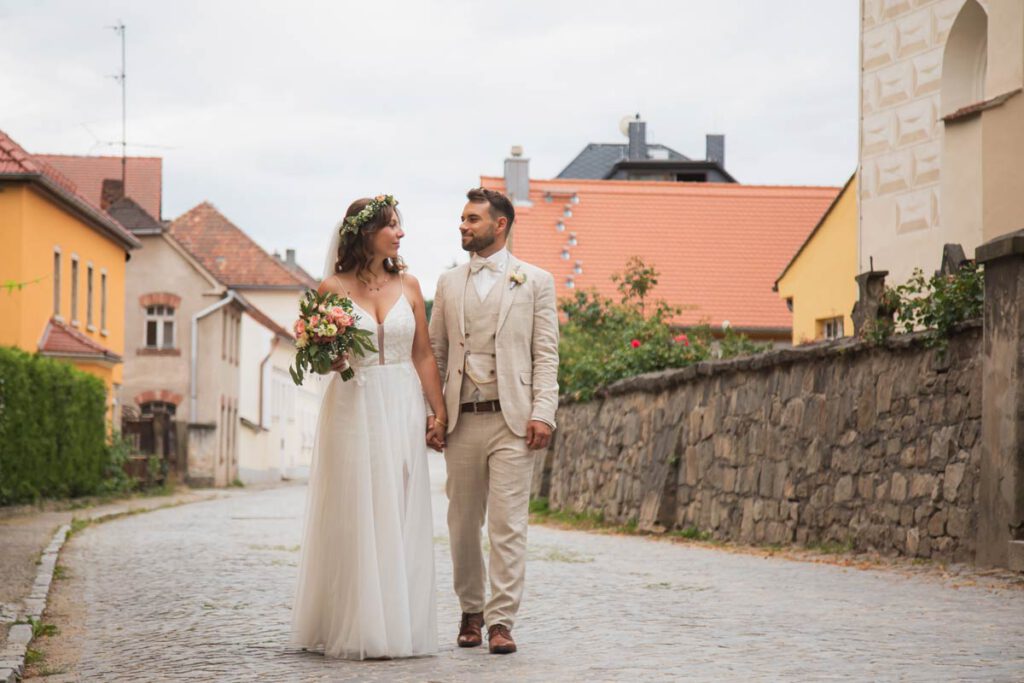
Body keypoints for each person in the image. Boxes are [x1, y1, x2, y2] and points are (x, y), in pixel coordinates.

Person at [290, 195, 446, 660]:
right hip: (353, 403)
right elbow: (318, 358)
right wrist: (328, 355)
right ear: (366, 233)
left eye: (399, 226)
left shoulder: (412, 285)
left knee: (397, 504)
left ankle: (398, 622)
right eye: (392, 226)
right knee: (357, 505)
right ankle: (358, 623)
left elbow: (422, 354)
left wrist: (437, 412)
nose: (400, 234)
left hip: (401, 401)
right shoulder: (330, 288)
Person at [428, 187, 560, 654]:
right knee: (462, 523)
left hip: (513, 421)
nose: (463, 226)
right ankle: (470, 611)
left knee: (509, 525)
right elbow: (437, 354)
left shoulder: (536, 281)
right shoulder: (447, 283)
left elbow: (545, 355)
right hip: (463, 418)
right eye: (462, 219)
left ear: (499, 225)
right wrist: (434, 415)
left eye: (471, 219)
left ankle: (501, 622)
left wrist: (543, 412)